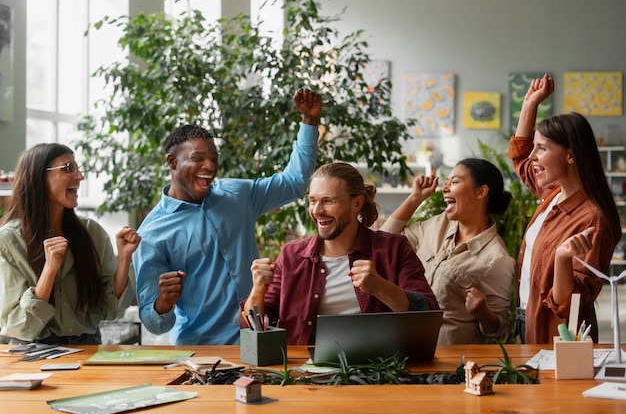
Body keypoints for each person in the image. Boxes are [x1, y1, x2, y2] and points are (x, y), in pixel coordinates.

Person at [133, 88, 322, 345]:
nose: (210, 166)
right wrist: (162, 304)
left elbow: (294, 183)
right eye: (198, 159)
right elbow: (154, 323)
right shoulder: (152, 233)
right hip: (201, 352)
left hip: (257, 341)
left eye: (213, 158)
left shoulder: (237, 194)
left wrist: (309, 123)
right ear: (172, 162)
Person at [243, 162, 439, 345]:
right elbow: (253, 325)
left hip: (380, 369)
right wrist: (258, 289)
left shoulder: (394, 248)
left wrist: (380, 287)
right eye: (313, 201)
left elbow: (427, 313)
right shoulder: (291, 256)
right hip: (304, 372)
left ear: (357, 203)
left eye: (328, 201)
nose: (317, 210)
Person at [510, 74, 621, 344]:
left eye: (542, 148)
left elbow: (570, 302)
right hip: (525, 317)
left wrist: (562, 258)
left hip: (555, 335)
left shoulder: (594, 219)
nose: (533, 157)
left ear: (571, 155)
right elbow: (519, 157)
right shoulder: (553, 193)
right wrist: (529, 104)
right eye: (534, 147)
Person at [0, 143, 141, 344]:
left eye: (77, 169)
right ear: (39, 177)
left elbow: (109, 310)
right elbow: (17, 325)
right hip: (30, 353)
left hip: (87, 349)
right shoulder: (8, 241)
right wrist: (49, 270)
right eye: (68, 169)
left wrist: (125, 257)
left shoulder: (92, 232)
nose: (79, 177)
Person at [380, 158, 515, 344]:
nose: (445, 188)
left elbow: (499, 329)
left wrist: (483, 313)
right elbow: (385, 241)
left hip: (449, 363)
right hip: (406, 350)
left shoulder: (497, 258)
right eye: (446, 182)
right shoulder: (439, 224)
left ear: (481, 192)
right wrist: (415, 198)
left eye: (455, 181)